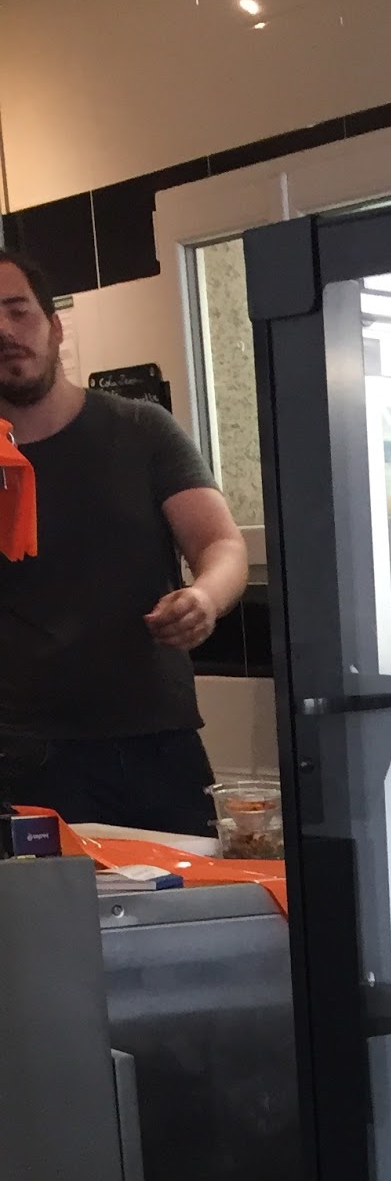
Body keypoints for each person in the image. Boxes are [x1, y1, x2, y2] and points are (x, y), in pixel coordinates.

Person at [0, 249, 249, 834]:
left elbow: (221, 544)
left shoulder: (141, 430)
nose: (4, 331)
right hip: (17, 751)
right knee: (45, 899)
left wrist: (205, 598)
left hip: (152, 741)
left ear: (54, 326)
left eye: (18, 311)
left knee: (192, 890)